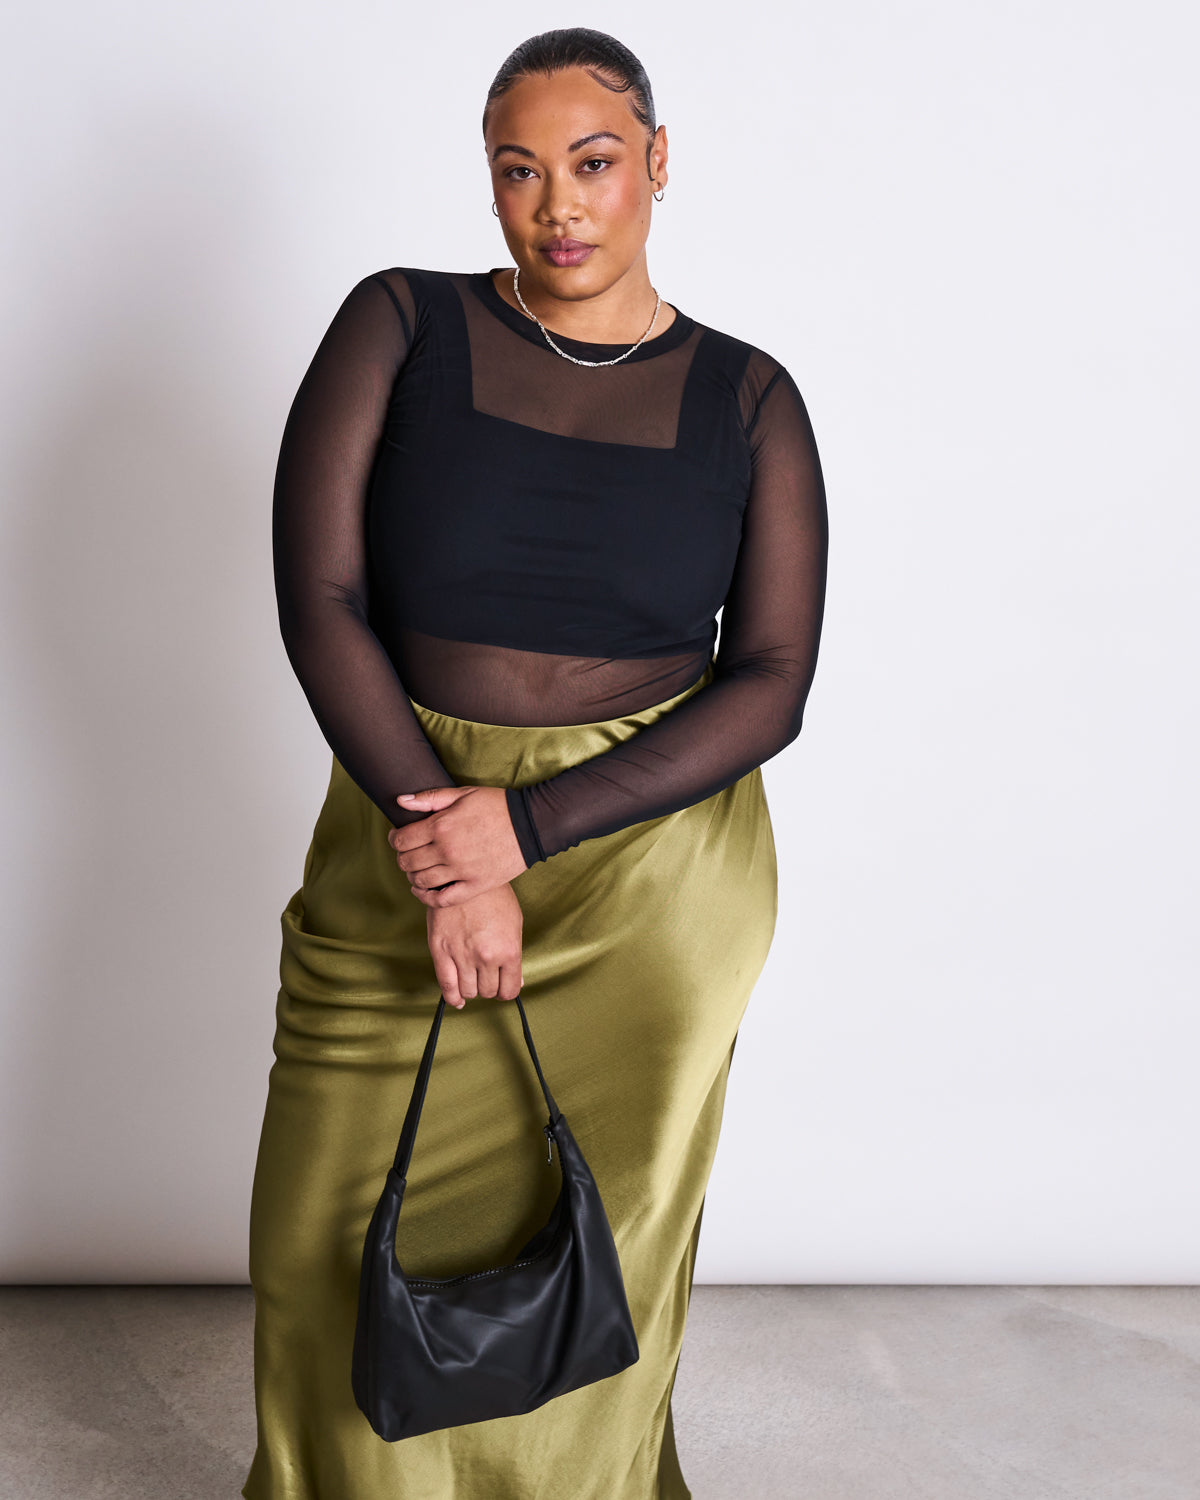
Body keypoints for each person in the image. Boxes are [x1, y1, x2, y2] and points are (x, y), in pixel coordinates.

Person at [241, 25, 828, 1500]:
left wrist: (530, 831)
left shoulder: (752, 400)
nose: (559, 204)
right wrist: (450, 850)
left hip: (653, 879)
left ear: (657, 166)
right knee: (327, 1229)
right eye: (521, 171)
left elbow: (770, 686)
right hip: (404, 831)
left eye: (594, 162)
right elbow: (320, 598)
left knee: (595, 1260)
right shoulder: (401, 324)